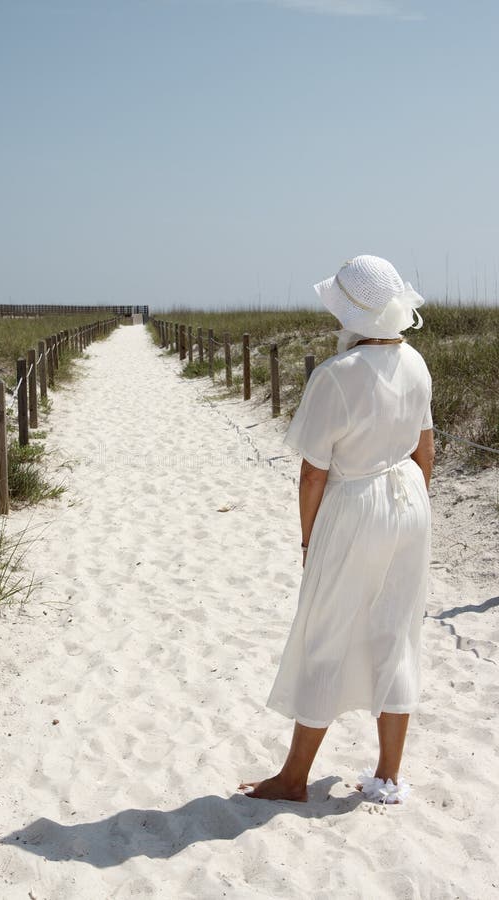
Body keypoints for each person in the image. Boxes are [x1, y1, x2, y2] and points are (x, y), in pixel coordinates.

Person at [239, 254, 434, 805]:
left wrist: (309, 539)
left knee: (325, 633)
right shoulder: (415, 363)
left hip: (357, 502)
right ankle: (389, 775)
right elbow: (426, 449)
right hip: (410, 499)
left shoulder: (336, 376)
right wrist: (414, 508)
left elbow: (312, 472)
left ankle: (294, 777)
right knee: (397, 631)